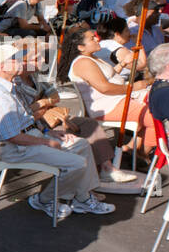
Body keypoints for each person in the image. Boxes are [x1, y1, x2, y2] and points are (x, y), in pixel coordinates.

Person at [0, 42, 115, 222]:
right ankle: (43, 200)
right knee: (77, 163)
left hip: (28, 138)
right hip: (15, 148)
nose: (21, 62)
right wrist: (46, 141)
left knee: (81, 144)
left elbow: (26, 120)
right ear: (2, 66)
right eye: (15, 59)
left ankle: (82, 198)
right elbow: (12, 136)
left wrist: (49, 132)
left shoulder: (9, 86)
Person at [61, 23, 156, 155]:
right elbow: (104, 88)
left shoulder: (91, 58)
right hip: (107, 106)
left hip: (115, 100)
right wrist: (133, 87)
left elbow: (109, 76)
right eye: (92, 39)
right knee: (154, 117)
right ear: (81, 47)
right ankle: (142, 154)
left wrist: (122, 63)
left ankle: (133, 149)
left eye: (95, 37)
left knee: (155, 104)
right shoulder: (83, 62)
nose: (97, 39)